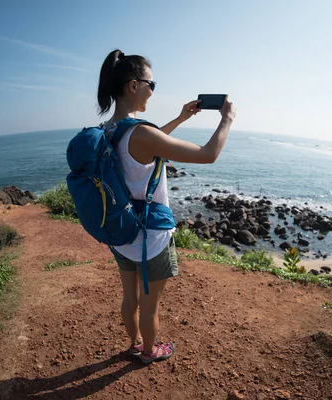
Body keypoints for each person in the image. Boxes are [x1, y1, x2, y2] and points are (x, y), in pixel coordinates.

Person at [97, 49, 236, 364]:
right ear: (133, 86)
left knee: (129, 298)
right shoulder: (142, 132)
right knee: (150, 305)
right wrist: (227, 119)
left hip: (121, 230)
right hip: (151, 238)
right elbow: (208, 153)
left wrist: (182, 118)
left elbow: (147, 145)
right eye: (151, 83)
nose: (152, 90)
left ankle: (133, 344)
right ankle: (148, 352)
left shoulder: (109, 130)